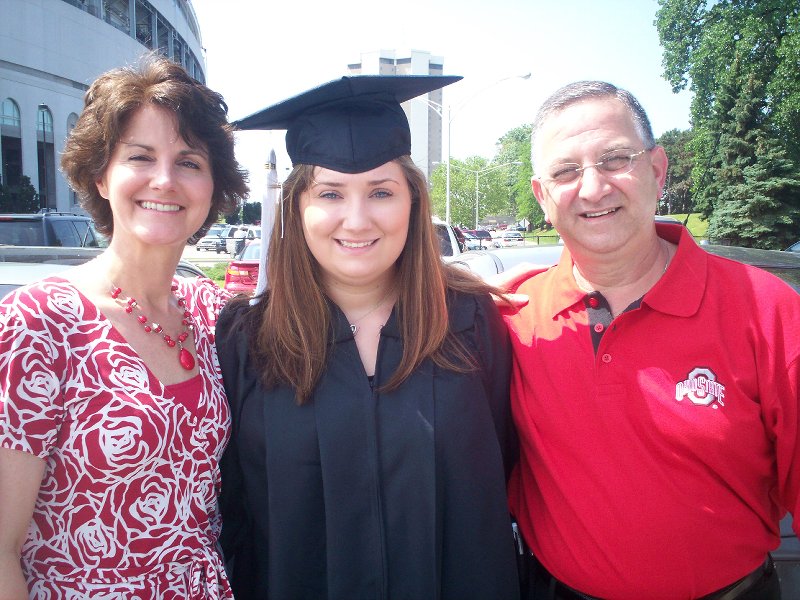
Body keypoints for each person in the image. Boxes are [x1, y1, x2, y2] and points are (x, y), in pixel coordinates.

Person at [215, 75, 520, 600]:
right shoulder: (248, 339)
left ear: (413, 203)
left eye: (381, 192)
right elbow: (234, 509)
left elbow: (505, 467)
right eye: (330, 193)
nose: (356, 220)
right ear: (297, 209)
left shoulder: (470, 324)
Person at [503, 80, 799, 599]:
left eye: (615, 158)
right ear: (542, 196)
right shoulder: (509, 317)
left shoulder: (768, 310)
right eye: (566, 171)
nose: (592, 188)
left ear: (658, 169)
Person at [0, 54, 248, 598]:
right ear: (101, 175)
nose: (165, 179)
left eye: (189, 161)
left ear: (212, 186)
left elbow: (324, 306)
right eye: (140, 156)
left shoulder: (214, 314)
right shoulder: (39, 325)